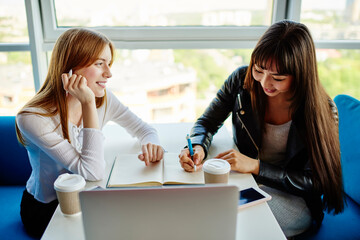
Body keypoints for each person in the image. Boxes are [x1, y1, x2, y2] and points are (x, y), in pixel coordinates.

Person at [179, 20, 344, 238]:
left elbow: (317, 183)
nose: (264, 82)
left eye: (278, 78)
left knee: (228, 224)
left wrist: (257, 167)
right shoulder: (241, 80)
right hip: (246, 183)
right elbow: (207, 122)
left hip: (292, 199)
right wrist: (198, 146)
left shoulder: (322, 110)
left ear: (300, 75)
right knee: (194, 208)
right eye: (259, 69)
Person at [16, 28, 164, 238]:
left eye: (109, 64)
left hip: (86, 196)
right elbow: (91, 171)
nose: (109, 73)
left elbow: (144, 129)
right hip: (48, 209)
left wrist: (151, 142)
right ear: (70, 68)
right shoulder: (34, 118)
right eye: (99, 63)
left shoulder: (104, 99)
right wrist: (87, 103)